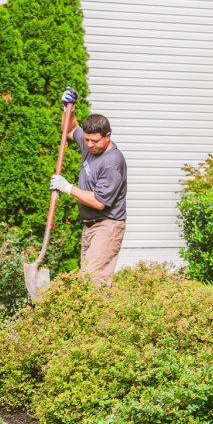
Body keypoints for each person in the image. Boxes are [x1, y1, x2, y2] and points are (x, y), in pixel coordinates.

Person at [50, 87, 127, 287]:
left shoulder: (112, 162)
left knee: (95, 282)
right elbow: (69, 130)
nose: (90, 145)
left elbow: (100, 202)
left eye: (95, 141)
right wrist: (69, 109)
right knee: (87, 281)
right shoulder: (89, 142)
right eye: (87, 140)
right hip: (90, 225)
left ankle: (103, 320)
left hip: (107, 225)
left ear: (107, 136)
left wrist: (67, 188)